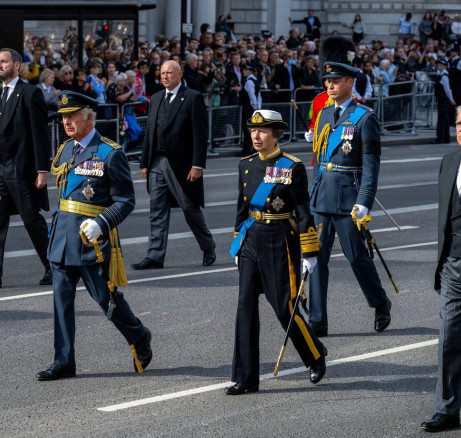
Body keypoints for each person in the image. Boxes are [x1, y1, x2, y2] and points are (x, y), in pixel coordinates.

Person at [36, 91, 152, 380]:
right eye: (63, 117)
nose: (66, 121)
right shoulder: (65, 150)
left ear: (88, 117)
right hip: (63, 237)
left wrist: (102, 222)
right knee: (61, 302)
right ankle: (63, 360)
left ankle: (138, 335)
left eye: (72, 116)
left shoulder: (109, 153)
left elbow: (125, 200)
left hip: (91, 241)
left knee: (106, 299)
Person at [226, 110, 326, 395]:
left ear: (276, 135)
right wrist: (237, 243)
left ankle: (315, 355)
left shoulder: (291, 167)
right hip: (251, 239)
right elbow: (241, 208)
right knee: (245, 307)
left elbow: (304, 211)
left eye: (263, 131)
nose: (256, 136)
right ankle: (246, 377)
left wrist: (310, 251)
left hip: (280, 240)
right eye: (253, 131)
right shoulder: (245, 165)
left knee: (285, 306)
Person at [307, 61, 392, 337]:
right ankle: (318, 319)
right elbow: (321, 160)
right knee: (316, 257)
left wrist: (365, 200)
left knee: (357, 256)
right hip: (322, 198)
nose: (329, 86)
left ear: (350, 82)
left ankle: (380, 302)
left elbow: (371, 164)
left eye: (335, 80)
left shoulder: (365, 117)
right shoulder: (323, 115)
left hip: (348, 198)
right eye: (327, 81)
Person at [0, 48, 52, 290]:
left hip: (19, 168)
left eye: (4, 61)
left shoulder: (30, 94)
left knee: (31, 219)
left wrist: (42, 169)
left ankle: (53, 266)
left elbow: (39, 133)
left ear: (16, 65)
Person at [132, 60, 216, 270]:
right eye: (162, 73)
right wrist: (144, 162)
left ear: (180, 74)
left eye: (169, 73)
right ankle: (155, 255)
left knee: (189, 207)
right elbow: (149, 132)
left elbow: (200, 134)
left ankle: (208, 246)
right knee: (157, 209)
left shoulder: (192, 98)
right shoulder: (157, 98)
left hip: (182, 163)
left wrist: (197, 165)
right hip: (156, 161)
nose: (165, 76)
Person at [420, 104, 461, 433]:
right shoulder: (449, 161)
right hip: (454, 265)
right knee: (449, 338)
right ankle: (447, 410)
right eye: (459, 123)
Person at [435, 59, 456, 144]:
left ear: (445, 66)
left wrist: (451, 99)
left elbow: (447, 90)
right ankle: (446, 138)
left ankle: (440, 138)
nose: (438, 67)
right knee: (445, 119)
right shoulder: (440, 74)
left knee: (442, 119)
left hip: (444, 100)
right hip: (442, 99)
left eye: (440, 65)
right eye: (438, 65)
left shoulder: (444, 76)